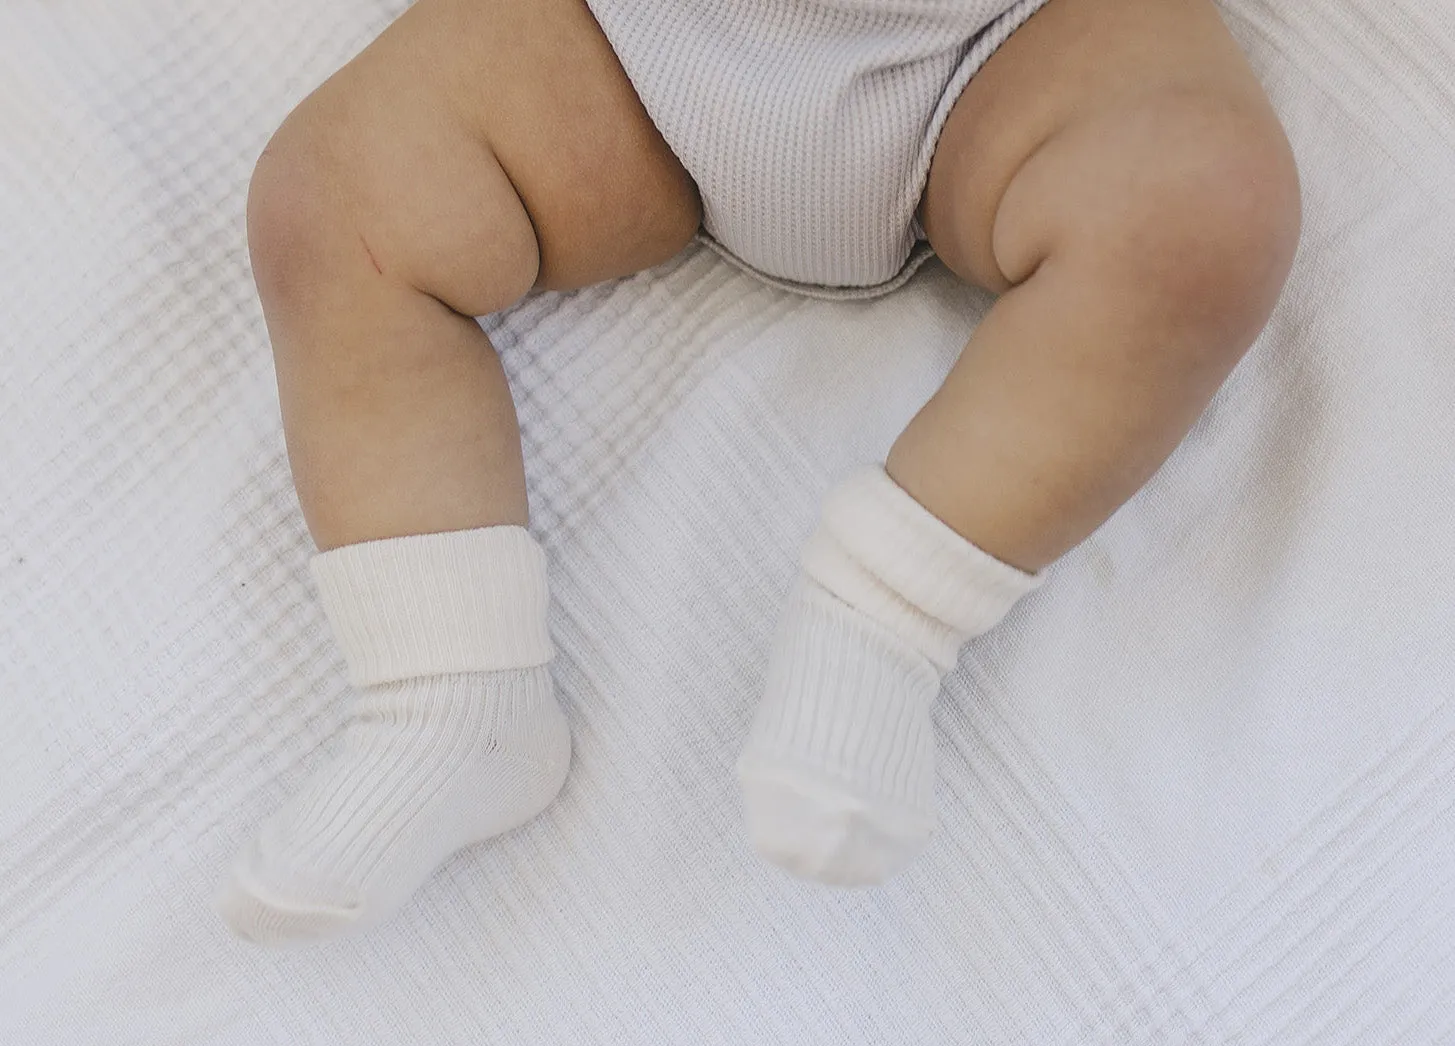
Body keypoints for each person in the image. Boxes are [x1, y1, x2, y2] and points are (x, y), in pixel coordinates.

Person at [219, 0, 1300, 945]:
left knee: (1200, 207)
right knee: (338, 197)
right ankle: (446, 687)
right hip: (631, 38)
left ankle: (881, 620)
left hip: (1006, 44)